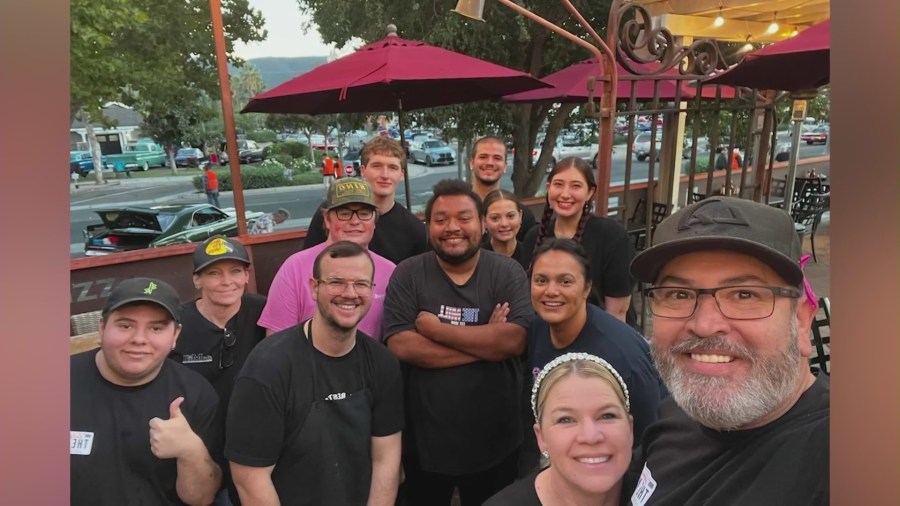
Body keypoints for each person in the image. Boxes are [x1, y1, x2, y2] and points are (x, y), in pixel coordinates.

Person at [625, 196, 827, 505]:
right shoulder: (678, 411)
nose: (705, 325)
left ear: (800, 321)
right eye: (679, 293)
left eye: (744, 294)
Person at [382, 179, 534, 505]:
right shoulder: (408, 273)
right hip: (424, 445)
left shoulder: (508, 272)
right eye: (441, 219)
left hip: (497, 441)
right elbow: (402, 346)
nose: (453, 227)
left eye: (464, 218)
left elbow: (514, 340)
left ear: (481, 224)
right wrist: (485, 344)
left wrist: (437, 330)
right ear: (428, 227)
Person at [226, 241, 404, 505]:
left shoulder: (382, 363)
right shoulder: (268, 367)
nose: (349, 293)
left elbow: (386, 460)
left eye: (361, 284)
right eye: (336, 282)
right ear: (314, 288)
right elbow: (250, 479)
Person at [519, 238, 667, 476]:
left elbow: (648, 439)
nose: (551, 291)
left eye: (565, 281)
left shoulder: (622, 357)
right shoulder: (538, 328)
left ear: (587, 288)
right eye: (541, 280)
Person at [71, 278, 222, 506]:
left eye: (156, 328)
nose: (139, 339)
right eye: (125, 326)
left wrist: (190, 451)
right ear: (102, 328)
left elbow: (201, 498)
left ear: (175, 336)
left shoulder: (195, 393)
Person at [486, 353, 634, 506]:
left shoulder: (658, 492)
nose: (590, 436)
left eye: (607, 416)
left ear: (630, 429)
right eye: (566, 420)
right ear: (541, 437)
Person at [259, 177, 396, 340]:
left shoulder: (391, 272)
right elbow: (276, 342)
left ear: (374, 221)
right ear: (327, 219)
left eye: (364, 214)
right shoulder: (295, 268)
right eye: (344, 214)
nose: (355, 221)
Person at [522, 156, 637, 325]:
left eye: (576, 186)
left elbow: (618, 312)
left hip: (604, 336)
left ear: (590, 192)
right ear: (548, 188)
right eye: (558, 184)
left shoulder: (612, 235)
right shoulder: (533, 237)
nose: (565, 194)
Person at [303, 136, 430, 265]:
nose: (385, 175)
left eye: (392, 167)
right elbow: (307, 262)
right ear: (363, 171)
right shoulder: (333, 211)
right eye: (377, 166)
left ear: (402, 174)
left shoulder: (414, 229)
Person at [470, 135, 536, 241]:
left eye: (497, 158)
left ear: (505, 166)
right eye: (483, 157)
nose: (490, 163)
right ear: (472, 163)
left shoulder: (523, 216)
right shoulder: (456, 211)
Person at [482, 188, 532, 269]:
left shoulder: (533, 257)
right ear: (484, 221)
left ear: (520, 216)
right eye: (495, 218)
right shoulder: (475, 259)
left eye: (511, 216)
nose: (504, 224)